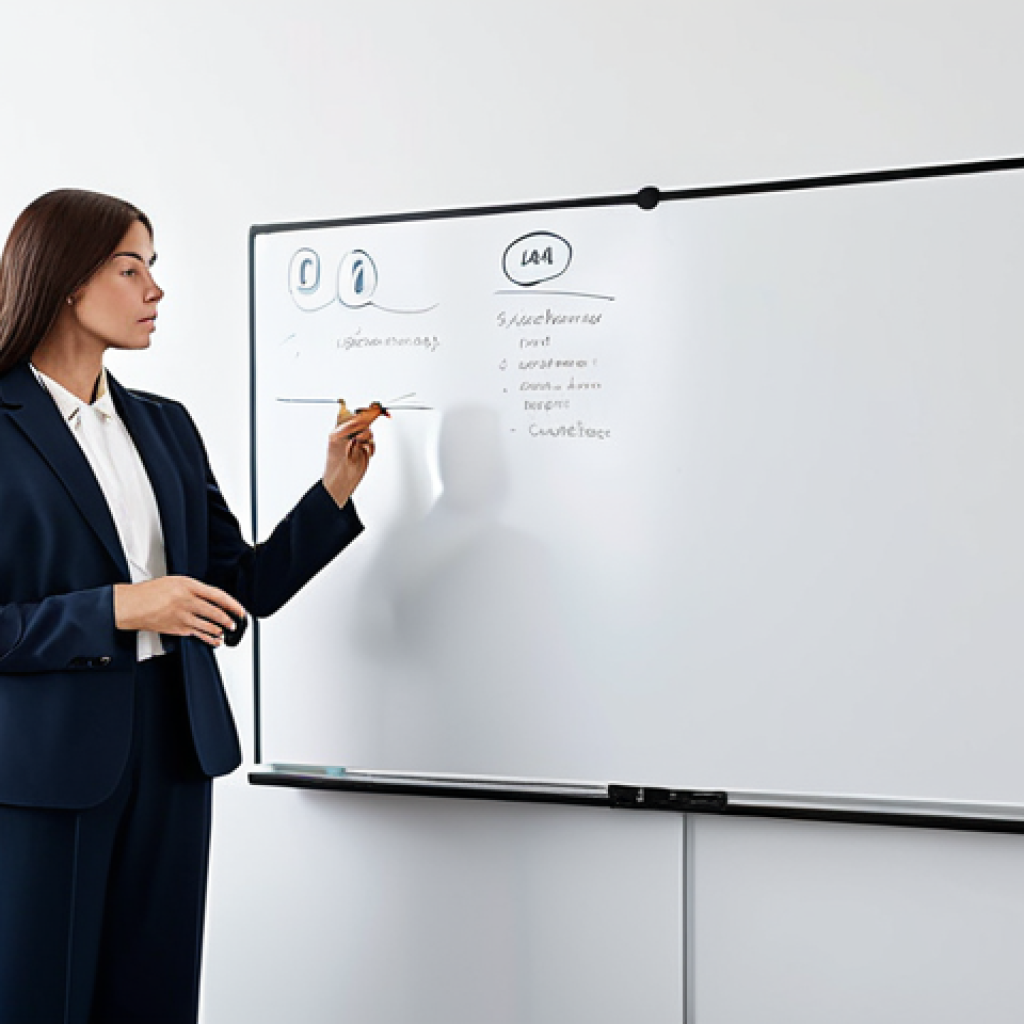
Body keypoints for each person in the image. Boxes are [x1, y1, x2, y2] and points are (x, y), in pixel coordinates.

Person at [0, 189, 374, 1023]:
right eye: (131, 268)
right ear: (65, 281)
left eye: (153, 268)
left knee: (154, 998)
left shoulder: (164, 426)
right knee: (39, 998)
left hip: (173, 750)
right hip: (46, 768)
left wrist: (332, 494)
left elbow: (236, 590)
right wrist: (119, 609)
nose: (155, 290)